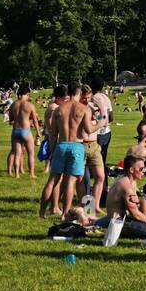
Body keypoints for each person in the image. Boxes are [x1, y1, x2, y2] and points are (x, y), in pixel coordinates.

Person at [43, 83, 94, 217]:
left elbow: (53, 133)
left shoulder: (58, 109)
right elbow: (88, 130)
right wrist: (100, 124)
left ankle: (42, 212)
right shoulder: (83, 109)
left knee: (52, 180)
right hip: (76, 145)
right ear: (79, 93)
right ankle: (65, 213)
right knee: (72, 181)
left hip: (61, 144)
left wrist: (52, 151)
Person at [93, 153, 146, 241]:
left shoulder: (129, 181)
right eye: (141, 169)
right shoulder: (126, 187)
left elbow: (134, 208)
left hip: (119, 219)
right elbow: (135, 214)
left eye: (144, 168)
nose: (144, 171)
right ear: (131, 170)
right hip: (119, 224)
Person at [79, 84, 107, 211]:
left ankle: (95, 205)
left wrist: (101, 108)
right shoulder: (78, 109)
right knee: (81, 179)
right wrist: (99, 123)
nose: (86, 100)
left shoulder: (91, 108)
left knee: (100, 176)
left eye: (88, 97)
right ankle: (85, 206)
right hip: (82, 144)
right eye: (84, 98)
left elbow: (104, 120)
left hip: (94, 144)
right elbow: (89, 127)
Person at [8, 85, 40, 178]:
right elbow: (35, 120)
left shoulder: (13, 104)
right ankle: (32, 174)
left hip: (15, 131)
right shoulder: (30, 105)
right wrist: (38, 132)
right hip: (26, 131)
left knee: (17, 154)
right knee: (31, 153)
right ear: (26, 94)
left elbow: (11, 120)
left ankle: (17, 174)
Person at [90, 78, 114, 197]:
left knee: (94, 164)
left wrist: (99, 120)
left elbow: (97, 116)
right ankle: (104, 189)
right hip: (107, 132)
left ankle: (96, 192)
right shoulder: (106, 97)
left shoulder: (94, 98)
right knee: (102, 162)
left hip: (98, 133)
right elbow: (111, 117)